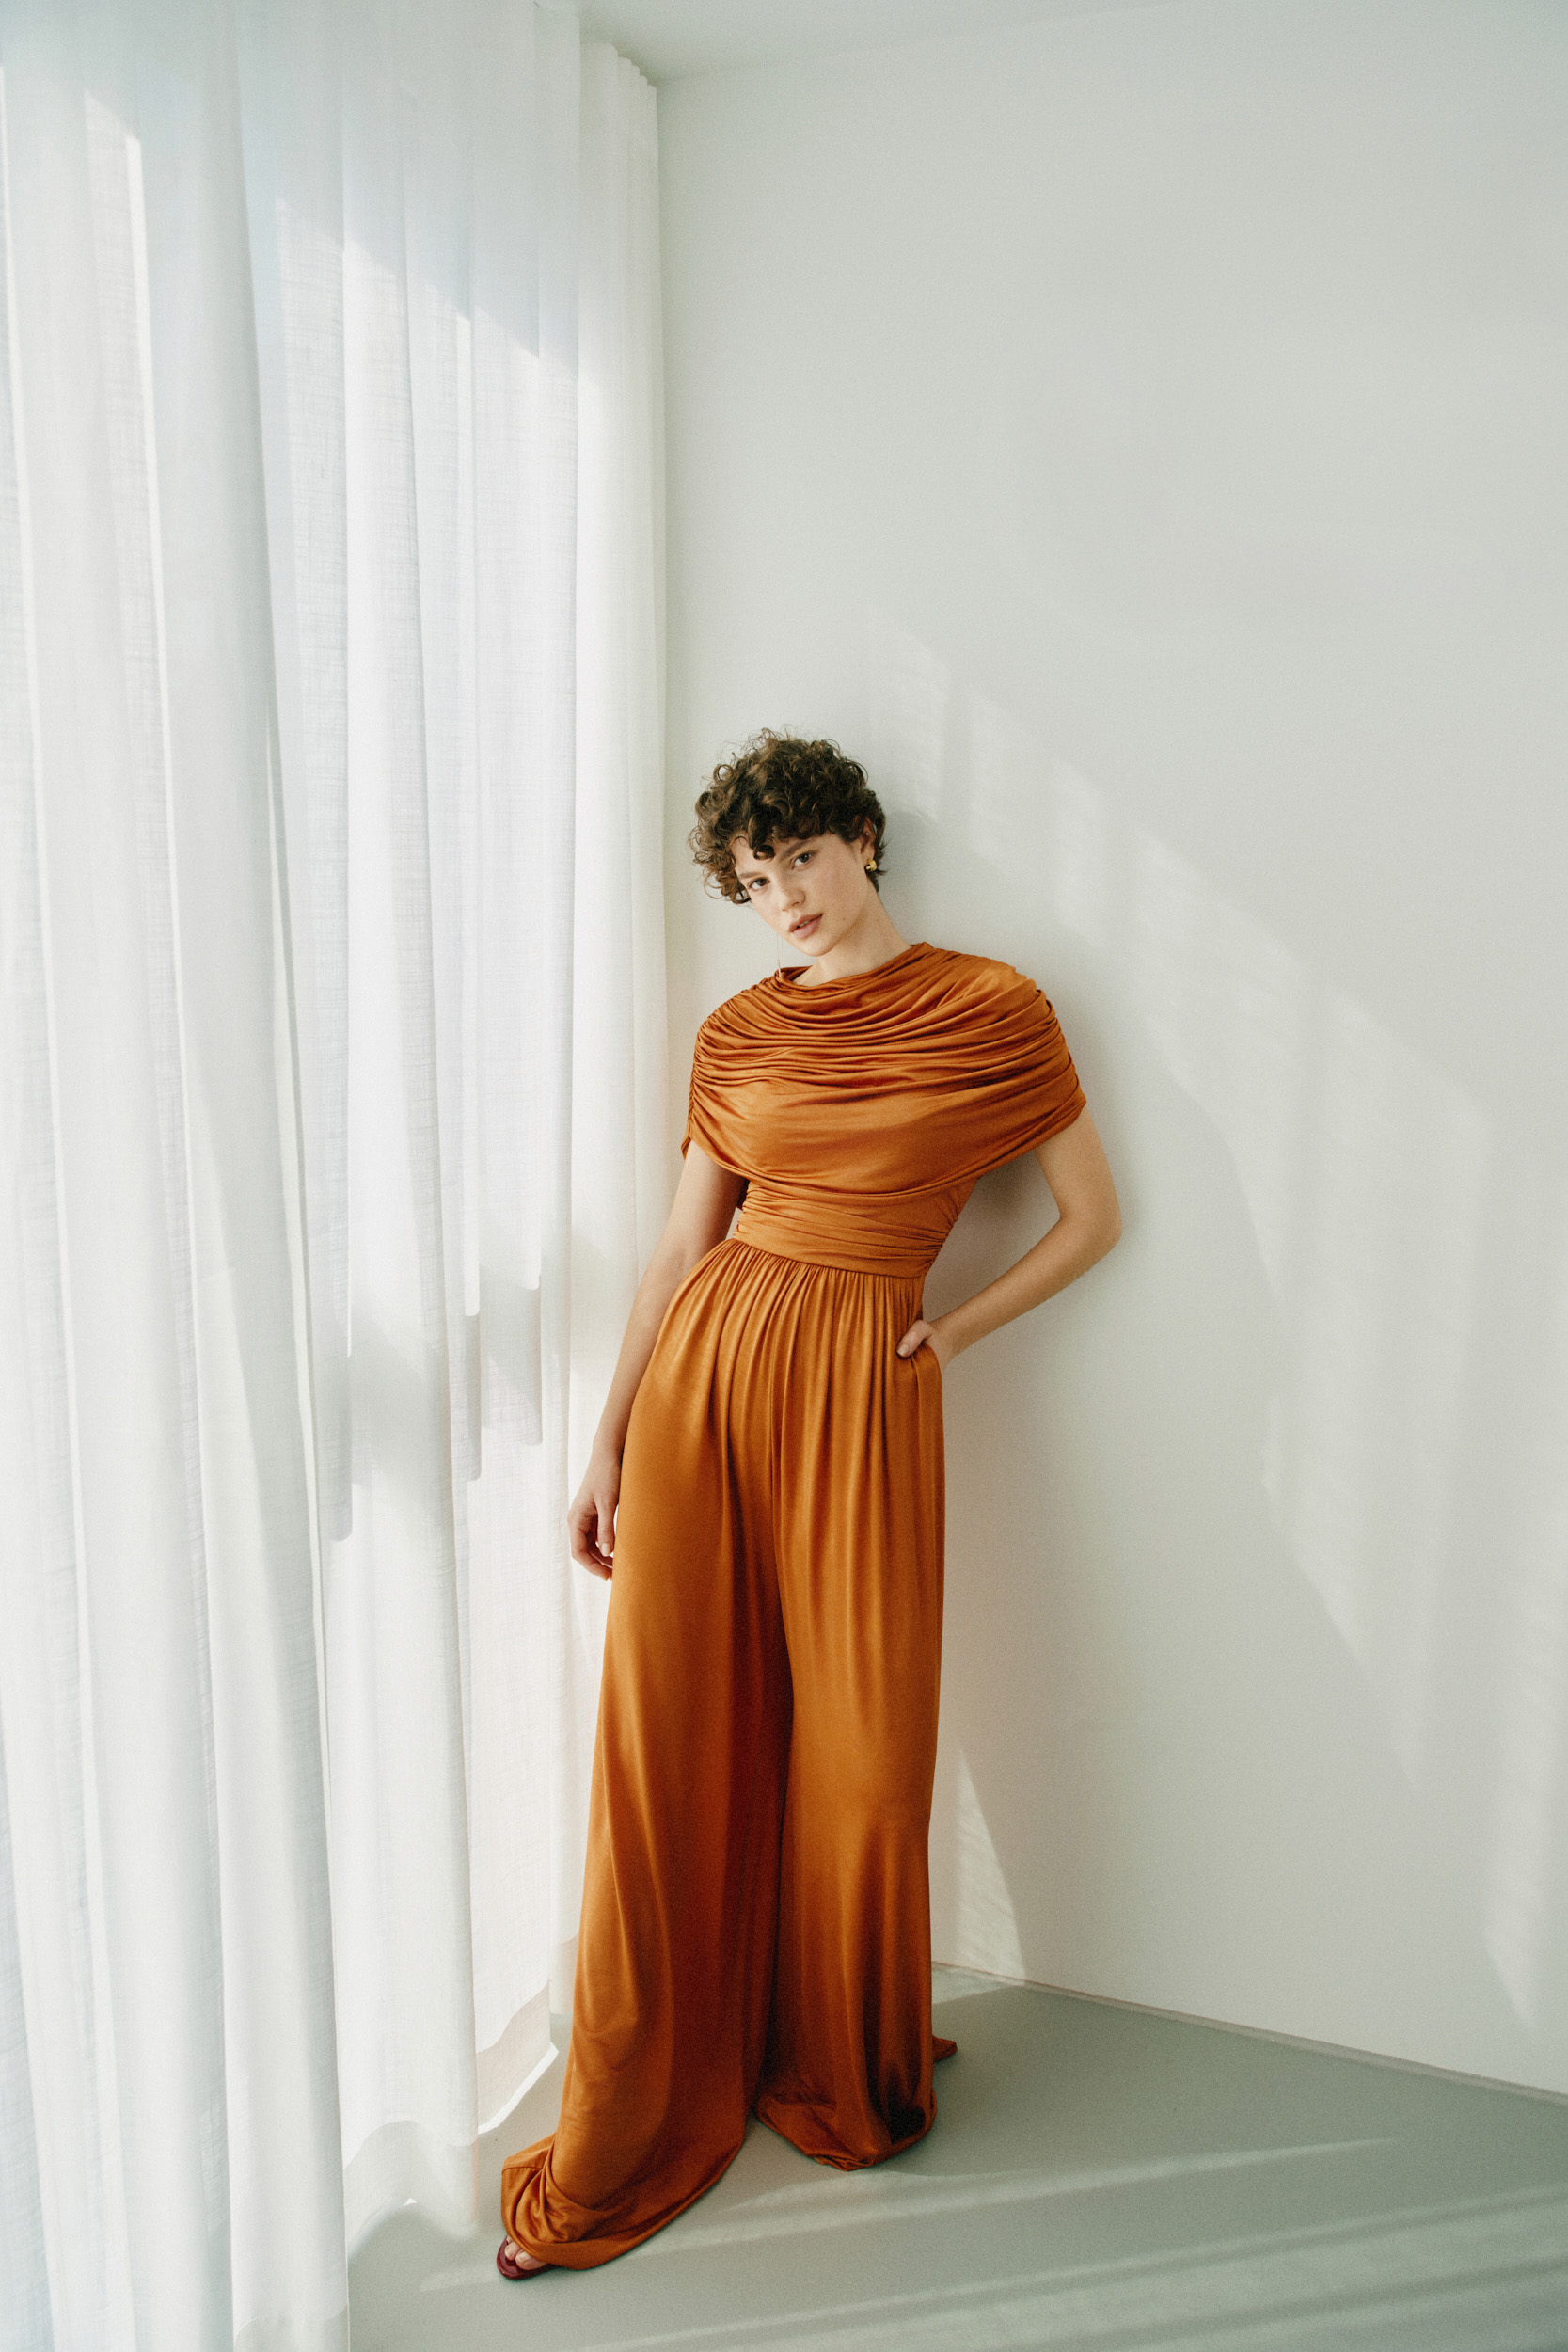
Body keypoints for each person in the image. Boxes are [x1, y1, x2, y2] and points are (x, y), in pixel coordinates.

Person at [498, 731, 1121, 2278]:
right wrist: (608, 1443)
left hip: (863, 1388)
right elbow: (678, 1251)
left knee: (863, 1749)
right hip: (705, 1387)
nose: (783, 894)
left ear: (861, 842)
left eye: (802, 857)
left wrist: (951, 1334)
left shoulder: (994, 1008)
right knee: (671, 1732)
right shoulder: (736, 1034)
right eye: (754, 877)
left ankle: (840, 2055)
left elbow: (1092, 1218)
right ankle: (641, 2097)